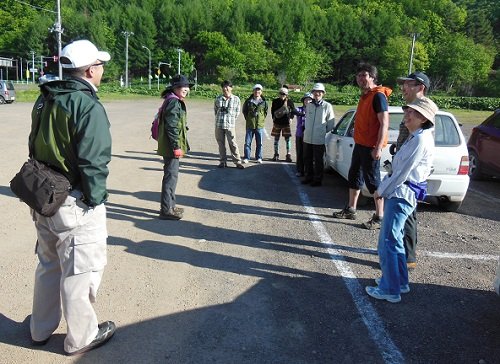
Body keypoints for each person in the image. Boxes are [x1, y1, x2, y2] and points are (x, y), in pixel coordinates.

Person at [28, 39, 115, 355]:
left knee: (48, 265)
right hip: (73, 201)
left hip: (44, 197)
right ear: (91, 69)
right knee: (80, 271)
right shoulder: (86, 105)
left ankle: (39, 329)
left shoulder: (45, 98)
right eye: (100, 65)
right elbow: (94, 161)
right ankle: (81, 337)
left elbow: (33, 145)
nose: (102, 69)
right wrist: (95, 200)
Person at [365, 97, 438, 303]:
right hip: (402, 193)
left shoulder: (420, 140)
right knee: (394, 239)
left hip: (401, 194)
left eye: (412, 112)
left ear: (423, 118)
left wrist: (380, 190)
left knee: (388, 240)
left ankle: (390, 289)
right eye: (407, 111)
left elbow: (401, 174)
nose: (407, 115)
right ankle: (400, 282)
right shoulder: (418, 137)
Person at [332, 63, 391, 229]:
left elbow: (384, 124)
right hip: (360, 144)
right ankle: (351, 209)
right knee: (354, 177)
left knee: (373, 182)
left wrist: (378, 147)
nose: (360, 78)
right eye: (358, 75)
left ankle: (379, 216)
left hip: (371, 146)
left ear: (372, 77)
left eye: (364, 75)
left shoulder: (378, 96)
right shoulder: (365, 96)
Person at [394, 71, 432, 269]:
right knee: (403, 215)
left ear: (421, 88)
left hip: (410, 174)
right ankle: (402, 254)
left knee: (407, 214)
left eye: (409, 84)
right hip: (403, 166)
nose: (404, 87)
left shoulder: (423, 112)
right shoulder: (411, 109)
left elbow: (419, 146)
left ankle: (408, 258)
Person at [158, 74, 191, 220]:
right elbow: (171, 126)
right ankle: (166, 210)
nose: (185, 89)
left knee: (171, 176)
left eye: (187, 86)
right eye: (182, 87)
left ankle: (170, 206)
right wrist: (176, 146)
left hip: (171, 145)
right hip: (171, 147)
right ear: (175, 88)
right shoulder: (174, 102)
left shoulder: (173, 100)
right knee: (171, 177)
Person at [302, 83, 335, 186]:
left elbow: (330, 123)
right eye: (316, 92)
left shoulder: (327, 106)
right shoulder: (309, 105)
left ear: (323, 93)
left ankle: (317, 179)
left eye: (320, 92)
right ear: (313, 93)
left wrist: (322, 132)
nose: (318, 94)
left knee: (318, 160)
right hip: (307, 137)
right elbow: (307, 119)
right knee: (307, 159)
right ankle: (308, 177)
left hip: (319, 139)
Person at [214, 80, 245, 169]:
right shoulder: (218, 98)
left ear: (231, 88)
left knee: (233, 143)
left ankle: (237, 162)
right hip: (219, 124)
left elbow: (237, 112)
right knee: (221, 144)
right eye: (223, 87)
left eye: (227, 86)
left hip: (230, 125)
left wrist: (231, 119)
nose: (225, 88)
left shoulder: (236, 99)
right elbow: (216, 110)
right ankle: (222, 161)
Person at [242, 84, 268, 163]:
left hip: (259, 126)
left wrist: (261, 120)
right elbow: (244, 111)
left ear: (261, 92)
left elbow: (265, 112)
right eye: (255, 90)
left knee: (259, 143)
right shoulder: (248, 101)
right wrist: (249, 119)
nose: (257, 91)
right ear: (253, 91)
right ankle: (247, 157)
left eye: (259, 90)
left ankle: (258, 157)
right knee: (247, 143)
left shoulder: (264, 102)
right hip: (250, 125)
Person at [271, 86, 295, 162]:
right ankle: (276, 154)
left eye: (284, 94)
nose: (282, 95)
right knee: (276, 139)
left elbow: (293, 111)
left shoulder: (290, 102)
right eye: (281, 93)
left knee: (287, 140)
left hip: (286, 123)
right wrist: (274, 119)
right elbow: (272, 111)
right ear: (279, 94)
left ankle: (288, 155)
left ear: (286, 94)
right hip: (277, 123)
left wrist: (291, 118)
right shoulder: (275, 101)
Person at [294, 92, 313, 176]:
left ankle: (308, 170)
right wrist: (302, 114)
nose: (308, 101)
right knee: (300, 152)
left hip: (309, 135)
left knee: (308, 153)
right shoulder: (300, 109)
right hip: (300, 134)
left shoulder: (314, 110)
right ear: (303, 101)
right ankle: (300, 170)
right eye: (306, 99)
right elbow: (294, 111)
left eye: (309, 99)